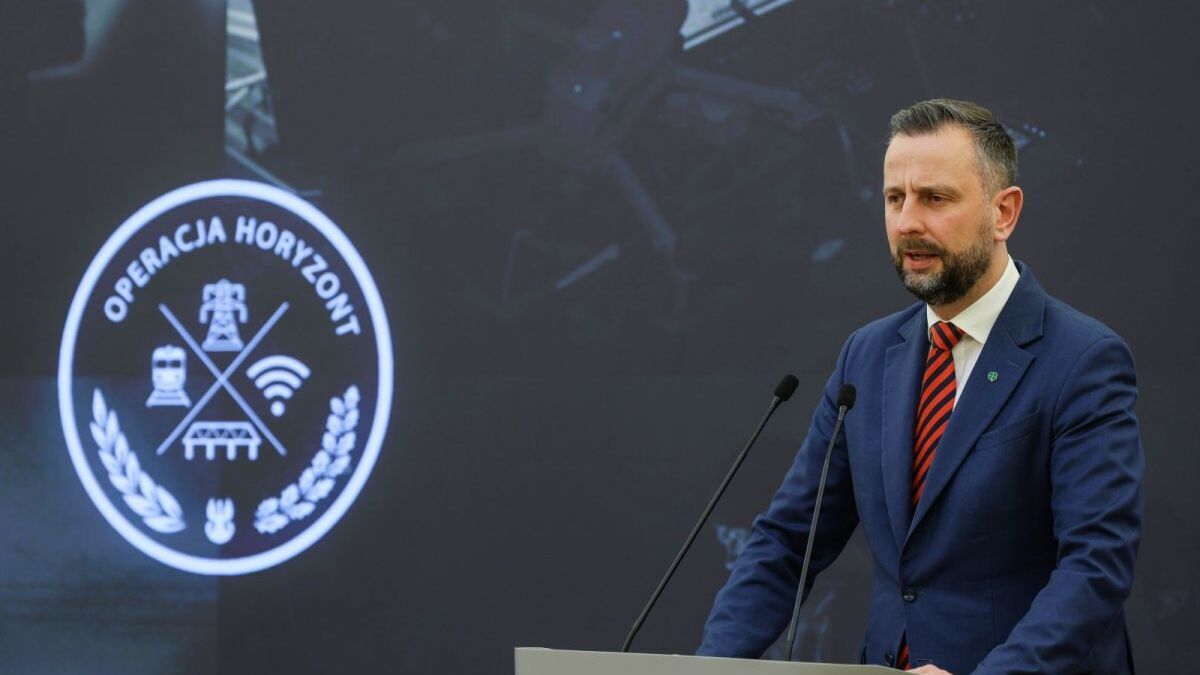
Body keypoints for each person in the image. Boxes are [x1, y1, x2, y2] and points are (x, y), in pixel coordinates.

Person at [697, 99, 1143, 674]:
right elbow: (788, 540)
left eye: (935, 198)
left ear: (1004, 213)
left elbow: (1095, 565)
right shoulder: (866, 355)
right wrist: (708, 668)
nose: (907, 221)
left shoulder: (1083, 359)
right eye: (894, 198)